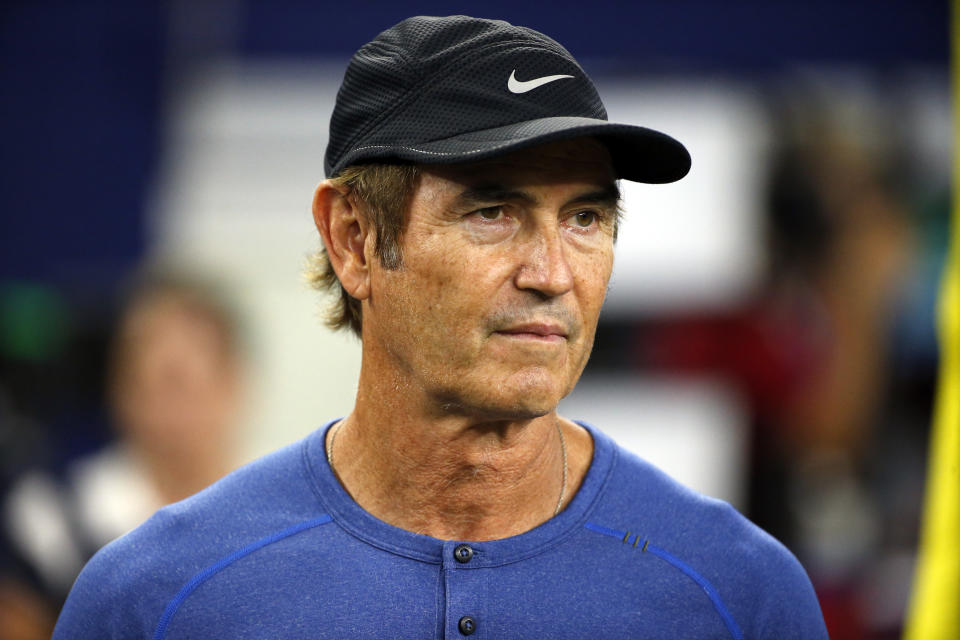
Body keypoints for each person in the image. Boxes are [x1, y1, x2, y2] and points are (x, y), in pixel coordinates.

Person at [53, 15, 827, 638]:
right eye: (492, 212)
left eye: (585, 216)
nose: (552, 273)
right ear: (354, 239)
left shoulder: (738, 594)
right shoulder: (157, 601)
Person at [3, 272, 243, 639]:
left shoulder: (281, 519)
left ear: (233, 384)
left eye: (183, 378)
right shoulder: (47, 517)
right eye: (157, 378)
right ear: (120, 388)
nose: (175, 405)